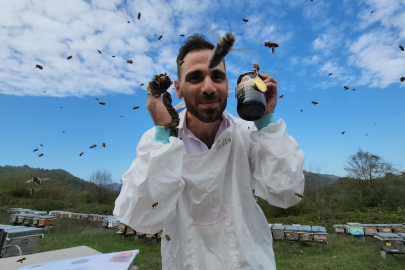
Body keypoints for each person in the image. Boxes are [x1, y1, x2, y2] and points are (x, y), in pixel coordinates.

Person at [114, 34, 305, 270]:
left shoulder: (247, 132)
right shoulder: (158, 141)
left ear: (228, 86)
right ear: (178, 88)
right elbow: (141, 217)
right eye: (195, 78)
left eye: (217, 76)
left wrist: (266, 121)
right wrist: (163, 134)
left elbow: (288, 192)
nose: (208, 87)